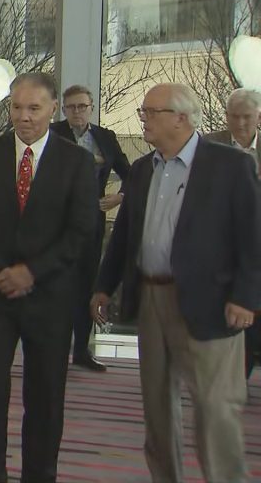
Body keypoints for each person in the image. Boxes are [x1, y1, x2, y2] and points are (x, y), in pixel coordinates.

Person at [92, 83, 261, 483]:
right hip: (152, 299)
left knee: (215, 410)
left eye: (152, 112)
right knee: (157, 408)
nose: (144, 120)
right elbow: (125, 234)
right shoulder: (142, 169)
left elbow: (253, 237)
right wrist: (103, 285)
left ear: (182, 118)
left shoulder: (229, 166)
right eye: (144, 112)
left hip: (212, 303)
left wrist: (245, 298)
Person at [0, 72, 97, 483]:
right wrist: (1, 271)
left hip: (50, 297)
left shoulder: (77, 161)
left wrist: (31, 272)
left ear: (53, 109)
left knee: (45, 397)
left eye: (34, 108)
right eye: (17, 107)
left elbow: (81, 230)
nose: (24, 117)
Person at [49, 84, 131, 372]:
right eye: (71, 107)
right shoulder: (51, 134)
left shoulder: (105, 137)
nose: (77, 112)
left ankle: (81, 350)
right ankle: (53, 351)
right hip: (56, 223)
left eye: (82, 106)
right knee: (56, 286)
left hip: (91, 221)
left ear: (91, 108)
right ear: (63, 110)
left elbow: (131, 174)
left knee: (86, 285)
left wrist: (120, 196)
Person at [204, 87, 261, 381]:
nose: (240, 123)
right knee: (224, 315)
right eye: (235, 116)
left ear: (258, 117)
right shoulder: (208, 145)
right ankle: (227, 379)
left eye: (247, 117)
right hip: (221, 247)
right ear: (226, 116)